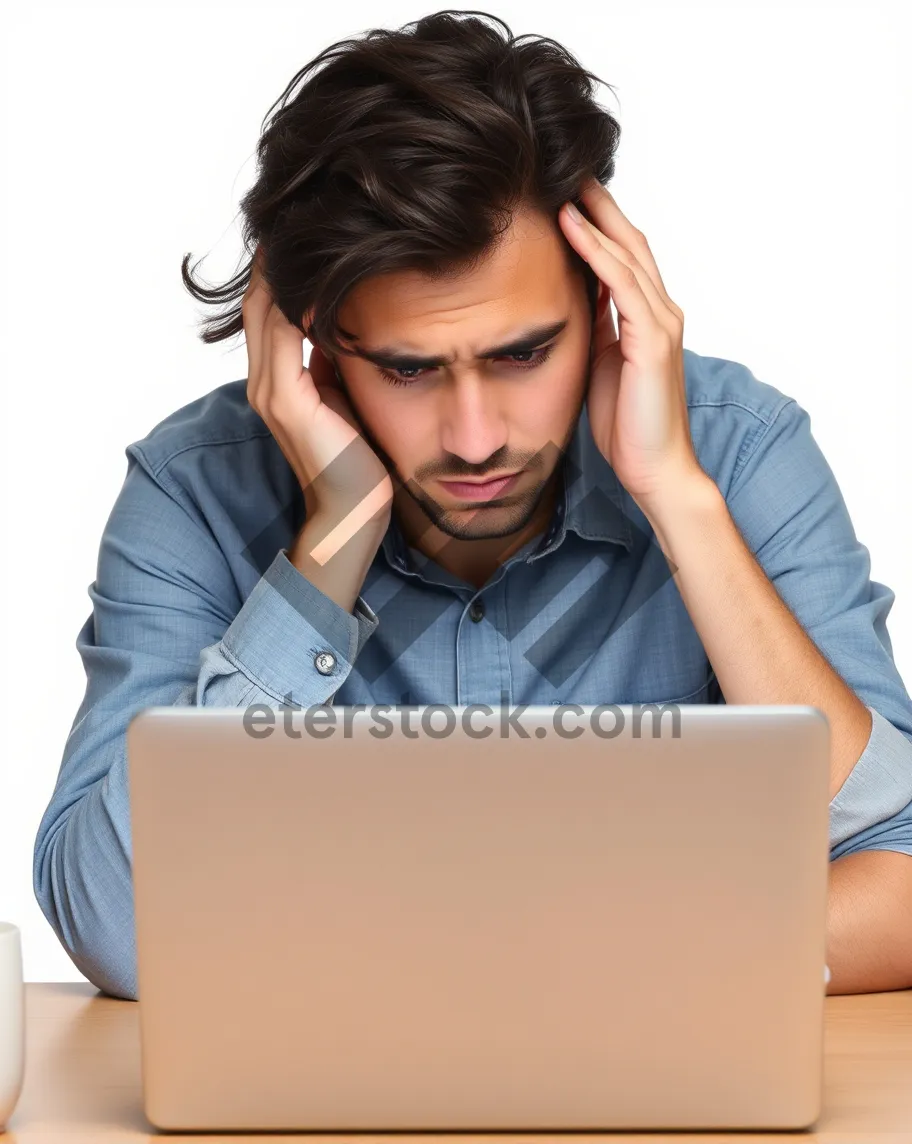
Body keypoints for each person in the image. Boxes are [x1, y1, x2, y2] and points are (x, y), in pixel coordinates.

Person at [33, 10, 912, 1003]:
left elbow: (899, 867)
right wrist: (333, 541)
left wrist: (679, 500)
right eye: (410, 369)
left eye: (523, 353)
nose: (477, 436)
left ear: (608, 308)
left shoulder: (738, 451)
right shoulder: (196, 491)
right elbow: (115, 925)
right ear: (312, 345)